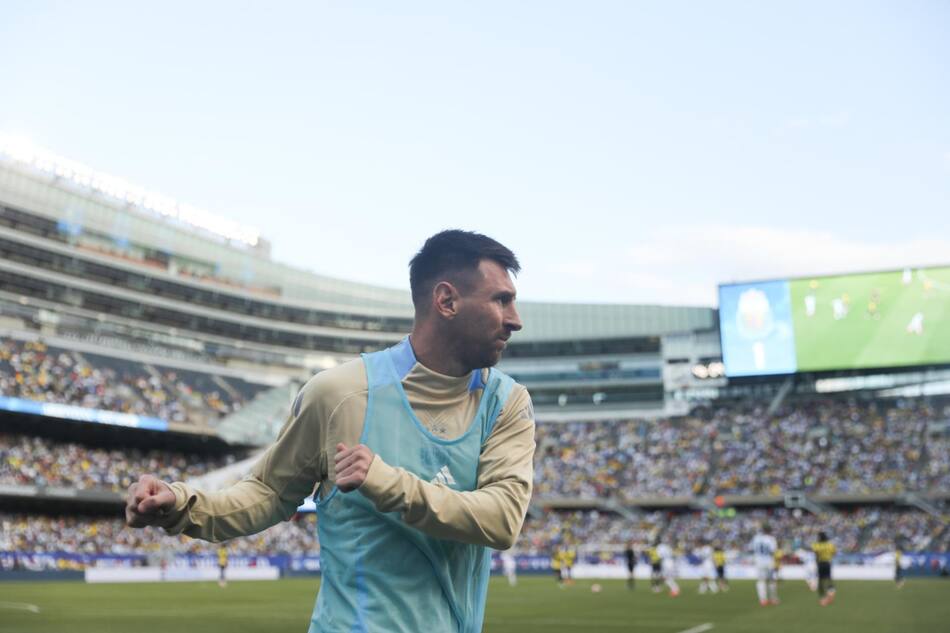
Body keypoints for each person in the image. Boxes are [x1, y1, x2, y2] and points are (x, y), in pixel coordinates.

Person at [125, 230, 536, 633]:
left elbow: (502, 520)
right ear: (446, 300)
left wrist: (386, 482)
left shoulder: (506, 403)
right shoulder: (339, 394)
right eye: (502, 300)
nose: (515, 320)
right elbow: (267, 493)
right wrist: (181, 503)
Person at [751, 523, 779, 606]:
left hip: (759, 561)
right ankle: (773, 598)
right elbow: (773, 551)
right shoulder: (771, 539)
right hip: (768, 561)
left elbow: (753, 549)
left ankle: (763, 600)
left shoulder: (756, 538)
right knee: (771, 580)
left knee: (760, 581)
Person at [812, 531, 836, 606]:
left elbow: (816, 554)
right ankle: (831, 594)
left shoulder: (816, 545)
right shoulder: (830, 545)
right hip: (827, 562)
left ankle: (823, 597)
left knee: (820, 580)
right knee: (829, 579)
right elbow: (833, 553)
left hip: (820, 563)